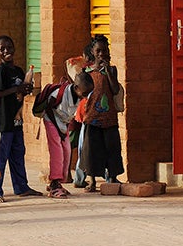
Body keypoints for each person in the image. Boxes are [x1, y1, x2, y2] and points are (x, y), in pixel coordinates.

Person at [0, 35, 41, 202]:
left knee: (18, 154)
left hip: (16, 121)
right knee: (0, 157)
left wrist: (24, 89)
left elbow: (19, 93)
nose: (6, 51)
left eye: (9, 47)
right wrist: (16, 88)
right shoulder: (0, 71)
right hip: (3, 122)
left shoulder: (18, 71)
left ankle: (21, 187)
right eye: (2, 49)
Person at [79, 34, 125, 192]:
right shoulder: (87, 71)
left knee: (112, 148)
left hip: (109, 117)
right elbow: (82, 91)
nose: (101, 54)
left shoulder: (112, 70)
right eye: (98, 51)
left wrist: (109, 73)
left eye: (104, 51)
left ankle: (113, 176)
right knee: (92, 149)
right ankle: (91, 180)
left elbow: (115, 89)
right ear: (92, 52)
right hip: (92, 116)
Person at [44, 70, 92, 198]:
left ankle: (59, 182)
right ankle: (54, 183)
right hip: (51, 120)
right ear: (76, 88)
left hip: (63, 124)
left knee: (67, 150)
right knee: (57, 151)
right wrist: (58, 129)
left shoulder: (78, 96)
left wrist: (63, 129)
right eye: (84, 93)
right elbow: (48, 108)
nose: (86, 97)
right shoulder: (59, 94)